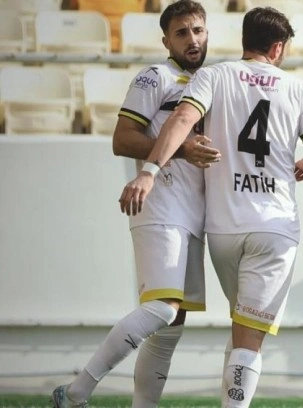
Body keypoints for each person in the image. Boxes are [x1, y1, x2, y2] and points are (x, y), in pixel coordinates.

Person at [118, 6, 303, 408]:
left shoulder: (214, 75)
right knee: (248, 338)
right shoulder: (296, 87)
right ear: (278, 47)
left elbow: (181, 120)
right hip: (274, 227)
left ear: (243, 40)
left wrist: (149, 171)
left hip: (222, 228)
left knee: (238, 328)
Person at [52, 2, 218, 407]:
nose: (192, 39)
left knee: (172, 325)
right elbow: (122, 138)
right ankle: (75, 393)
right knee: (162, 309)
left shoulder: (211, 80)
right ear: (166, 41)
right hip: (159, 205)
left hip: (193, 214)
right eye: (181, 33)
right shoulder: (154, 76)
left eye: (197, 30)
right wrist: (181, 151)